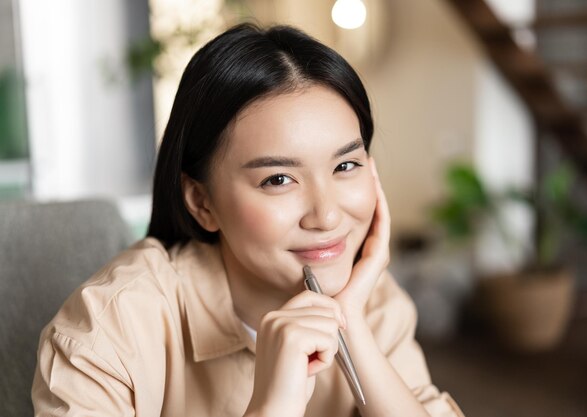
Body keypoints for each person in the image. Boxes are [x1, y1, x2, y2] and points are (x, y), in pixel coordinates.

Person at [32, 23, 464, 417]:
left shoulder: (373, 299)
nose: (327, 214)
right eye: (278, 179)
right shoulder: (107, 329)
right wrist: (272, 406)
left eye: (345, 166)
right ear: (201, 201)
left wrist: (351, 323)